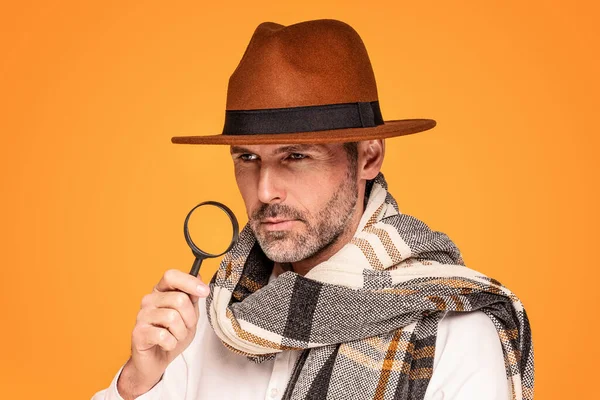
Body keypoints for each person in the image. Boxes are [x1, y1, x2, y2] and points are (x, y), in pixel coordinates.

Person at [92, 19, 534, 400]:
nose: (264, 191)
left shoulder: (455, 335)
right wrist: (137, 381)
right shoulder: (204, 320)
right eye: (247, 159)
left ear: (368, 158)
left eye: (295, 157)